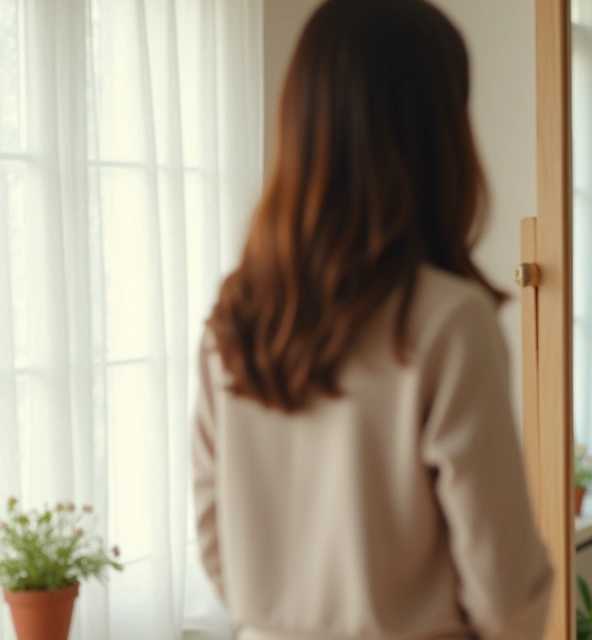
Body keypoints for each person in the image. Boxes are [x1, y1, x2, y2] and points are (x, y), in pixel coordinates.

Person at [190, 2, 551, 638]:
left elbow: (215, 541)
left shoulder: (237, 313)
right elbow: (503, 588)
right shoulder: (446, 322)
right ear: (437, 131)